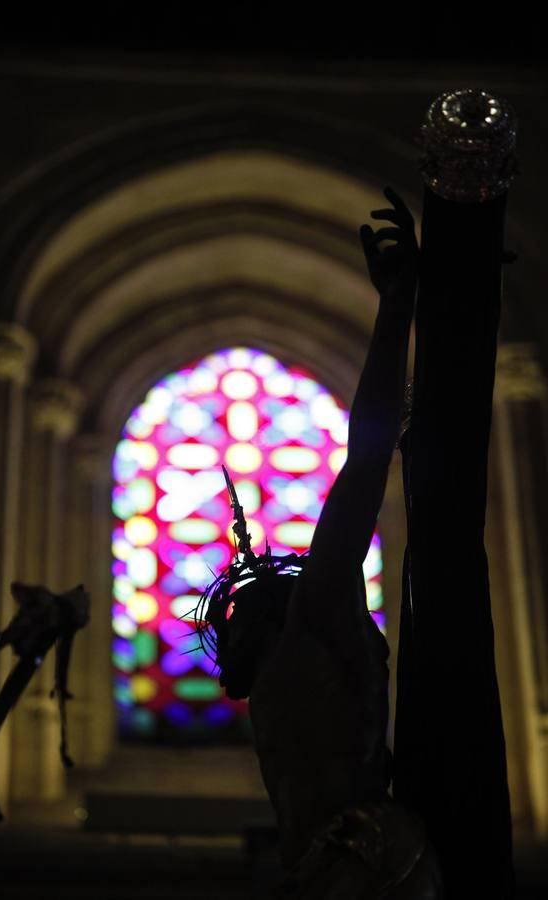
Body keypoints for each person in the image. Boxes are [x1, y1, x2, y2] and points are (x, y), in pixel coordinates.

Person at [198, 188, 443, 897]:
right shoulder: (284, 668)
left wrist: (396, 311)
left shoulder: (318, 613)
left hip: (369, 871)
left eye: (238, 616)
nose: (226, 628)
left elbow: (365, 463)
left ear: (285, 606)